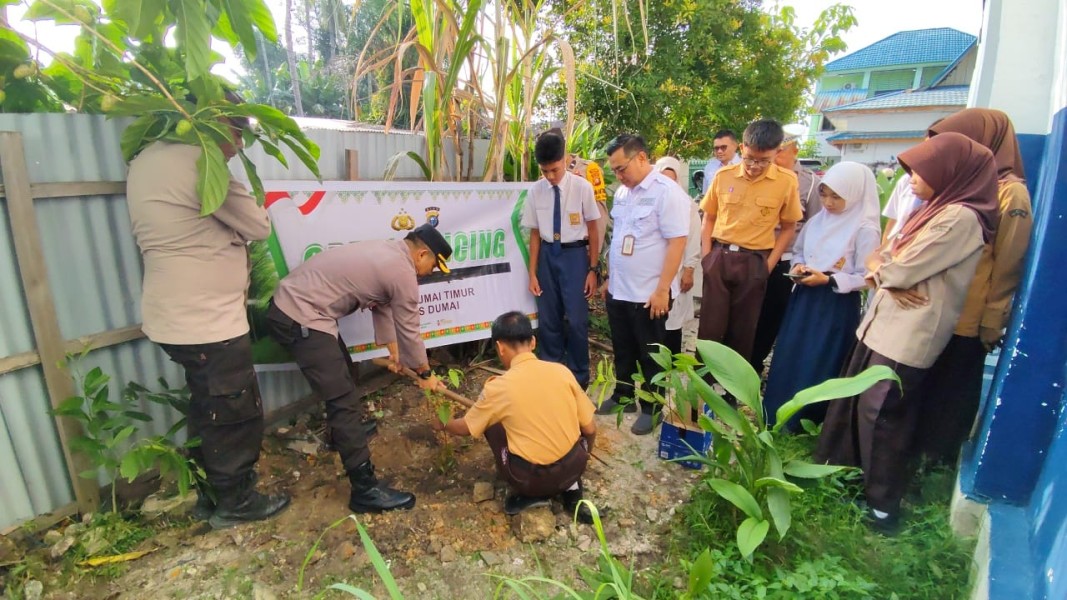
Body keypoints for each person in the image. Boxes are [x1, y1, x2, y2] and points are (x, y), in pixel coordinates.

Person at [815, 132, 1000, 534]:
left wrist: (884, 267)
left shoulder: (961, 218)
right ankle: (848, 479)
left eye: (920, 170)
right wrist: (884, 265)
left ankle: (883, 507)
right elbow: (884, 258)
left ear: (950, 171)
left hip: (908, 334)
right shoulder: (934, 209)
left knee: (882, 414)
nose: (911, 178)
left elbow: (895, 268)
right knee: (857, 403)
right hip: (885, 322)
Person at [126, 94, 291, 530]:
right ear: (215, 125)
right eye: (237, 134)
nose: (238, 147)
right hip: (206, 321)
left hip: (173, 317)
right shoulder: (202, 165)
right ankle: (236, 502)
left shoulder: (147, 159)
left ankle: (208, 496)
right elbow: (258, 225)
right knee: (235, 411)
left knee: (207, 407)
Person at [264, 224, 451, 513]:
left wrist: (394, 354)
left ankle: (342, 435)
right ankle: (365, 489)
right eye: (432, 266)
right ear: (423, 253)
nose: (430, 273)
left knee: (346, 374)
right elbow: (410, 327)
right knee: (342, 400)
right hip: (300, 314)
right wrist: (425, 374)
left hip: (302, 309)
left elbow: (384, 307)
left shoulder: (391, 253)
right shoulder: (402, 271)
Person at [914, 108, 1033, 465]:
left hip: (967, 315)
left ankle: (933, 465)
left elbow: (1008, 264)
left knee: (950, 394)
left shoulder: (1010, 195)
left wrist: (992, 318)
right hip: (934, 307)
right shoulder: (962, 184)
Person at [435, 312, 597, 520]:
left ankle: (530, 495)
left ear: (500, 347)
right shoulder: (561, 372)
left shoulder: (498, 388)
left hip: (533, 481)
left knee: (491, 425)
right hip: (575, 467)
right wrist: (583, 458)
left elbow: (466, 428)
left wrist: (443, 423)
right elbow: (590, 429)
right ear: (533, 342)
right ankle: (571, 488)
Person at [762, 162, 881, 430]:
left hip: (834, 304)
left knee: (818, 359)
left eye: (836, 196)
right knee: (791, 353)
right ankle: (776, 414)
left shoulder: (864, 229)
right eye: (824, 194)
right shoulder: (817, 221)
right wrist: (799, 267)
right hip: (804, 299)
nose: (828, 202)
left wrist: (829, 279)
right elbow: (800, 251)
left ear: (854, 194)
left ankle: (806, 423)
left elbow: (869, 276)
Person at [597, 134, 690, 435]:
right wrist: (610, 277)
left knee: (652, 353)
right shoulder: (623, 194)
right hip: (620, 290)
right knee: (623, 350)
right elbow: (620, 240)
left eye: (621, 168)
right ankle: (624, 396)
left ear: (641, 157)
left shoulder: (667, 192)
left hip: (650, 294)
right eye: (614, 170)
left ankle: (653, 408)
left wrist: (663, 288)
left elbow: (677, 242)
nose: (618, 175)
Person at [698, 119, 803, 364]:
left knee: (743, 332)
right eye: (750, 158)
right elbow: (709, 217)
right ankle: (701, 391)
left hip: (755, 262)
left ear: (777, 152)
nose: (755, 166)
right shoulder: (723, 176)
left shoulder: (786, 182)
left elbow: (789, 228)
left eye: (764, 160)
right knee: (710, 330)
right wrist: (706, 257)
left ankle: (730, 394)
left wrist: (768, 265)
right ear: (743, 148)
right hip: (720, 258)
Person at [524, 131, 600, 387]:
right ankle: (551, 374)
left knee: (577, 320)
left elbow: (593, 229)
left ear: (565, 159)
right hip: (547, 257)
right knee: (548, 320)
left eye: (554, 170)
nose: (550, 176)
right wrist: (532, 273)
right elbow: (535, 234)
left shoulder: (582, 188)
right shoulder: (536, 191)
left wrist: (592, 268)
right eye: (545, 171)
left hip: (575, 257)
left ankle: (579, 377)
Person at [749, 131, 823, 376]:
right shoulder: (756, 175)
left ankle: (755, 365)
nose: (775, 154)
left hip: (785, 260)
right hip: (752, 254)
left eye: (780, 149)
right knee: (745, 316)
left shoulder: (810, 183)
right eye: (773, 150)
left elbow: (814, 224)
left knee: (770, 317)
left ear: (795, 151)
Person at [655, 156, 701, 355]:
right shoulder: (649, 202)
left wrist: (689, 270)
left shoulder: (687, 205)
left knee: (672, 323)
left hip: (677, 271)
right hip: (653, 272)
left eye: (671, 179)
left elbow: (692, 240)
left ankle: (669, 369)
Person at [569, 153, 610, 265]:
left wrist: (594, 254)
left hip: (582, 249)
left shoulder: (589, 169)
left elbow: (599, 212)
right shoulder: (548, 171)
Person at [700, 129, 742, 197]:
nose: (719, 151)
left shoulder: (745, 166)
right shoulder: (710, 167)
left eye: (723, 147)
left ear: (735, 146)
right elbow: (706, 195)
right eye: (716, 148)